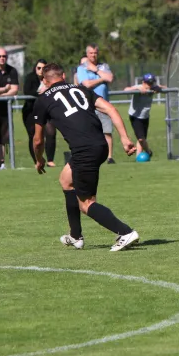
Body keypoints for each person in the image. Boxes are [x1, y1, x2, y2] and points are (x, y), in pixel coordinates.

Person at [32, 63, 139, 252]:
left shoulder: (42, 100)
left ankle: (125, 232)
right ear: (63, 75)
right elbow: (110, 109)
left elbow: (38, 140)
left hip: (84, 151)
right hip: (100, 145)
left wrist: (39, 159)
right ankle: (75, 236)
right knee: (66, 179)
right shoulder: (81, 89)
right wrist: (124, 138)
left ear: (44, 81)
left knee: (86, 203)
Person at [77, 44, 116, 164]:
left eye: (95, 53)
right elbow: (87, 84)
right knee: (90, 132)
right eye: (91, 53)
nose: (93, 55)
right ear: (87, 54)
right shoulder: (82, 68)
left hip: (104, 104)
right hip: (89, 105)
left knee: (107, 131)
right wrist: (101, 78)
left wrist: (96, 70)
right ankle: (93, 156)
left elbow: (109, 78)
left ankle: (109, 157)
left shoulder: (103, 66)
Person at [22, 59, 57, 167]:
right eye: (39, 68)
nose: (41, 70)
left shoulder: (49, 78)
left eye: (43, 68)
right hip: (31, 111)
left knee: (51, 132)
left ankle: (50, 160)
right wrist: (40, 93)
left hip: (46, 110)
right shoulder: (30, 78)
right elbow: (27, 91)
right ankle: (36, 160)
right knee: (33, 136)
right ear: (35, 68)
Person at [124, 73, 165, 157]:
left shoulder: (153, 88)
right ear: (143, 82)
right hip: (135, 116)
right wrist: (137, 88)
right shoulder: (138, 87)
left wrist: (158, 88)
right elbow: (126, 90)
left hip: (145, 116)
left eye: (151, 83)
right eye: (148, 83)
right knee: (141, 139)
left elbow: (166, 88)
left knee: (142, 139)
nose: (149, 85)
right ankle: (149, 152)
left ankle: (139, 159)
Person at [0, 47, 19, 170]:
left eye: (4, 56)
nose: (2, 59)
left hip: (5, 110)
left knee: (2, 139)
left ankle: (1, 164)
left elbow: (14, 90)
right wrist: (4, 89)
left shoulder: (12, 71)